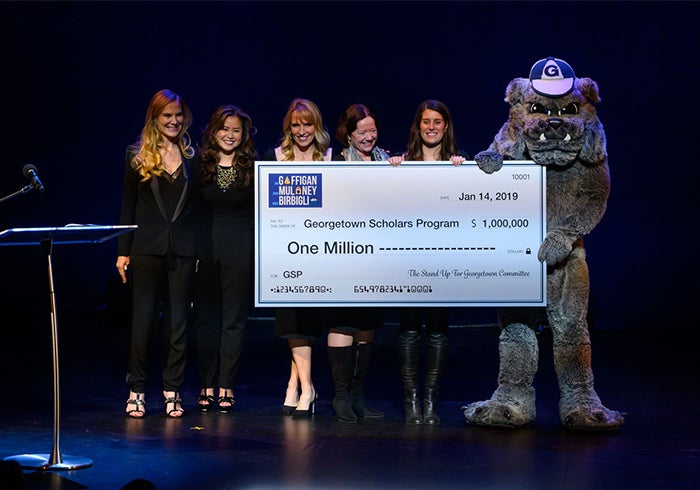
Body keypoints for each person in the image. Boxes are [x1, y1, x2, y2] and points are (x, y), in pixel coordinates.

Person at [117, 89, 199, 418]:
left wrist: (197, 251)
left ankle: (172, 389)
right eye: (167, 115)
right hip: (146, 248)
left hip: (182, 250)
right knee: (143, 322)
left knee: (178, 323)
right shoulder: (136, 155)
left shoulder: (192, 156)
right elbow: (127, 205)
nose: (174, 121)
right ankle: (137, 388)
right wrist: (123, 251)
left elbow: (198, 210)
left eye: (178, 115)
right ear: (155, 117)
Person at [388, 99, 469, 425]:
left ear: (445, 126)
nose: (431, 127)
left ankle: (431, 399)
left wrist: (465, 175)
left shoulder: (457, 165)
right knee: (408, 329)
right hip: (409, 257)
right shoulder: (403, 163)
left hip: (442, 258)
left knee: (437, 330)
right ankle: (411, 400)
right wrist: (390, 171)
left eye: (437, 121)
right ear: (418, 126)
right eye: (426, 121)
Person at [263, 98, 332, 419]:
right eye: (296, 125)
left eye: (307, 124)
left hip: (318, 255)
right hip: (285, 255)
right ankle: (306, 386)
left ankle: (297, 385)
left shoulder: (330, 158)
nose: (302, 131)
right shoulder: (275, 159)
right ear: (288, 128)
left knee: (304, 323)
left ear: (316, 126)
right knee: (291, 322)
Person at [325, 103, 388, 423]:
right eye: (361, 132)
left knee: (367, 325)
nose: (368, 137)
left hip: (375, 257)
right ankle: (340, 397)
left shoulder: (386, 160)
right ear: (348, 135)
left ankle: (359, 396)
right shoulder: (334, 162)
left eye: (372, 131)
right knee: (343, 322)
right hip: (343, 254)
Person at [191, 105, 257, 414]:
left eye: (236, 130)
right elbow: (191, 213)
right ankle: (206, 382)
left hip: (240, 249)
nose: (230, 135)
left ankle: (226, 385)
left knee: (233, 320)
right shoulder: (200, 165)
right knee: (206, 320)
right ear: (213, 130)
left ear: (243, 135)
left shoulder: (251, 166)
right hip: (205, 249)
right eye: (224, 128)